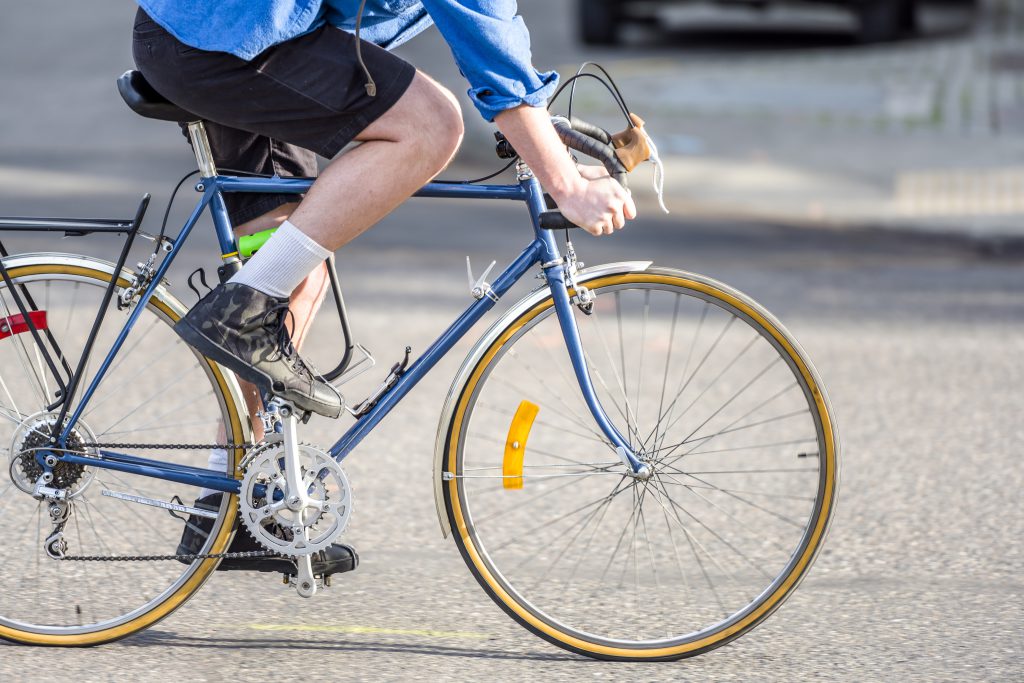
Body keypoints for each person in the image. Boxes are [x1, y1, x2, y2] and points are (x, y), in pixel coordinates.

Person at [132, 0, 637, 580]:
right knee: (430, 125)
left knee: (294, 262)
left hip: (227, 34)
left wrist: (539, 129)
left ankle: (227, 504)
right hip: (222, 41)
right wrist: (565, 181)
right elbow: (483, 31)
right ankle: (238, 314)